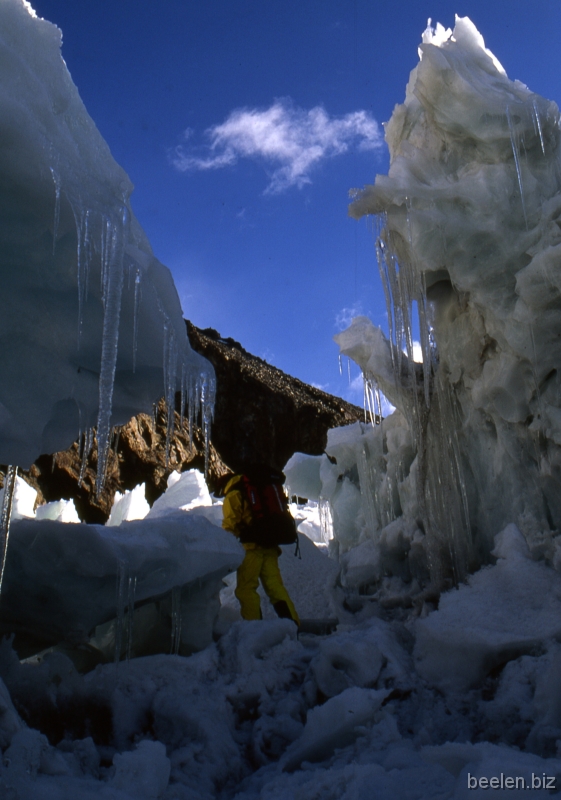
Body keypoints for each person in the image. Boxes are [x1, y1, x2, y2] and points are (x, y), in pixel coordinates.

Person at [217, 469, 299, 626]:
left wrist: (222, 546)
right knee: (275, 587)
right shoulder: (253, 487)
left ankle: (253, 629)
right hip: (270, 546)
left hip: (251, 548)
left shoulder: (233, 493)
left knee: (246, 590)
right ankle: (293, 624)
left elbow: (230, 525)